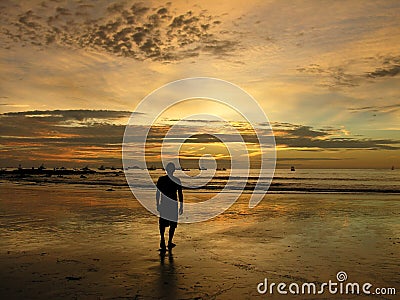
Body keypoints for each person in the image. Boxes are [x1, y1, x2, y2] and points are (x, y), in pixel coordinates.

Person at [156, 162, 183, 251]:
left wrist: (158, 204)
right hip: (172, 205)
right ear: (173, 170)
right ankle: (168, 241)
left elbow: (158, 193)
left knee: (164, 223)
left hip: (165, 204)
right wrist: (181, 206)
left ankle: (163, 239)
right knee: (172, 224)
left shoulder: (161, 179)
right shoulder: (176, 180)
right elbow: (180, 194)